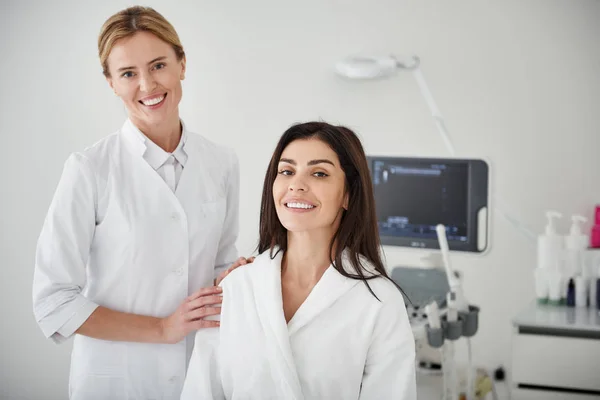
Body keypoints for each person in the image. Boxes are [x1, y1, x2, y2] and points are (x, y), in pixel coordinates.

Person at [32, 6, 249, 399]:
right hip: (116, 381)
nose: (147, 85)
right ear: (111, 83)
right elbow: (53, 300)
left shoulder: (222, 163)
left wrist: (241, 276)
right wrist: (163, 329)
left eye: (159, 65)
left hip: (198, 375)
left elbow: (217, 268)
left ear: (182, 64)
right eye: (128, 73)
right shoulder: (88, 170)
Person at [181, 122, 417, 399]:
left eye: (319, 173)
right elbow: (201, 391)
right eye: (287, 171)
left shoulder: (378, 300)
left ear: (348, 195)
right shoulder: (237, 287)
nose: (296, 185)